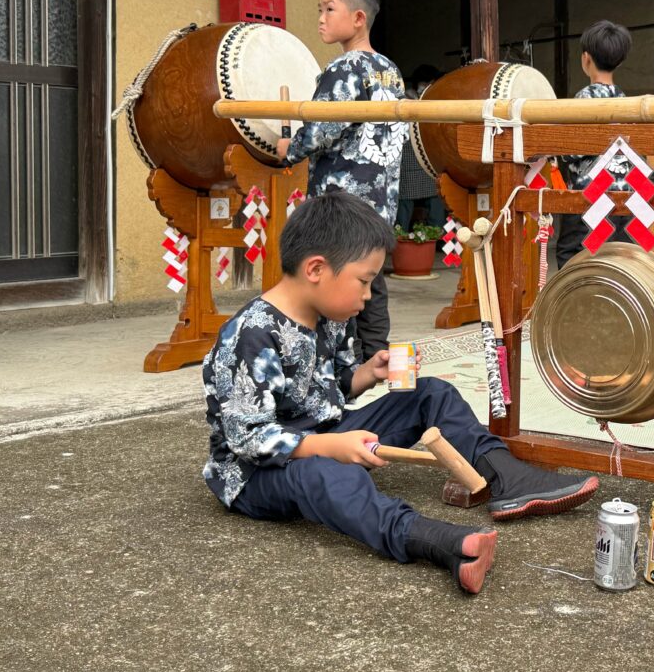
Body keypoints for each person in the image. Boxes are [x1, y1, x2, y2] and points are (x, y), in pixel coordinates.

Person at [202, 192, 600, 594]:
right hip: (256, 474)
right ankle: (434, 540)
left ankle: (508, 479)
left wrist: (367, 374)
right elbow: (248, 438)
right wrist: (331, 447)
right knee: (327, 474)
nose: (368, 295)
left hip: (328, 435)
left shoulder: (330, 316)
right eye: (364, 280)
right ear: (316, 269)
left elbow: (332, 387)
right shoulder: (251, 334)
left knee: (430, 394)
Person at [275, 0, 405, 362]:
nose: (321, 18)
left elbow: (321, 130)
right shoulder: (391, 71)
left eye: (329, 9)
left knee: (337, 278)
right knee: (371, 278)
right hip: (381, 197)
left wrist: (288, 148)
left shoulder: (345, 68)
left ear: (359, 17)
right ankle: (377, 356)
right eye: (319, 9)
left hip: (344, 200)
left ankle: (339, 361)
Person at [555, 20, 633, 268]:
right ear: (619, 61)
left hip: (587, 196)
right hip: (624, 193)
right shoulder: (626, 101)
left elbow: (569, 152)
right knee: (614, 257)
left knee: (573, 255)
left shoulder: (582, 100)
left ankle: (573, 305)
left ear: (585, 59)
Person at [396, 65, 446, 232]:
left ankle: (436, 237)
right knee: (405, 201)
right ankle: (399, 238)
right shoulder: (403, 100)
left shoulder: (433, 99)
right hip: (408, 157)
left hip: (427, 158)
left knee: (435, 198)